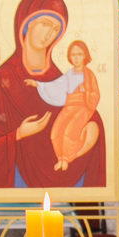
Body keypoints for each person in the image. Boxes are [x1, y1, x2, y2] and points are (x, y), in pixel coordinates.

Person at [0, 0, 106, 190]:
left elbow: (84, 110)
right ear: (26, 23)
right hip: (17, 189)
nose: (49, 35)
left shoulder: (60, 79)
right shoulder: (2, 81)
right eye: (45, 24)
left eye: (56, 29)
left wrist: (93, 127)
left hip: (68, 184)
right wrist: (19, 133)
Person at [42, 41, 102, 173]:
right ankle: (60, 158)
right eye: (73, 55)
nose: (76, 58)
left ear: (85, 56)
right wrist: (39, 84)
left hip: (84, 107)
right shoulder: (69, 74)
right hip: (69, 106)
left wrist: (84, 91)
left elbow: (95, 94)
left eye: (79, 54)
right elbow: (56, 86)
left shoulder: (89, 75)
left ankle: (67, 159)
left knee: (69, 132)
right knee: (55, 133)